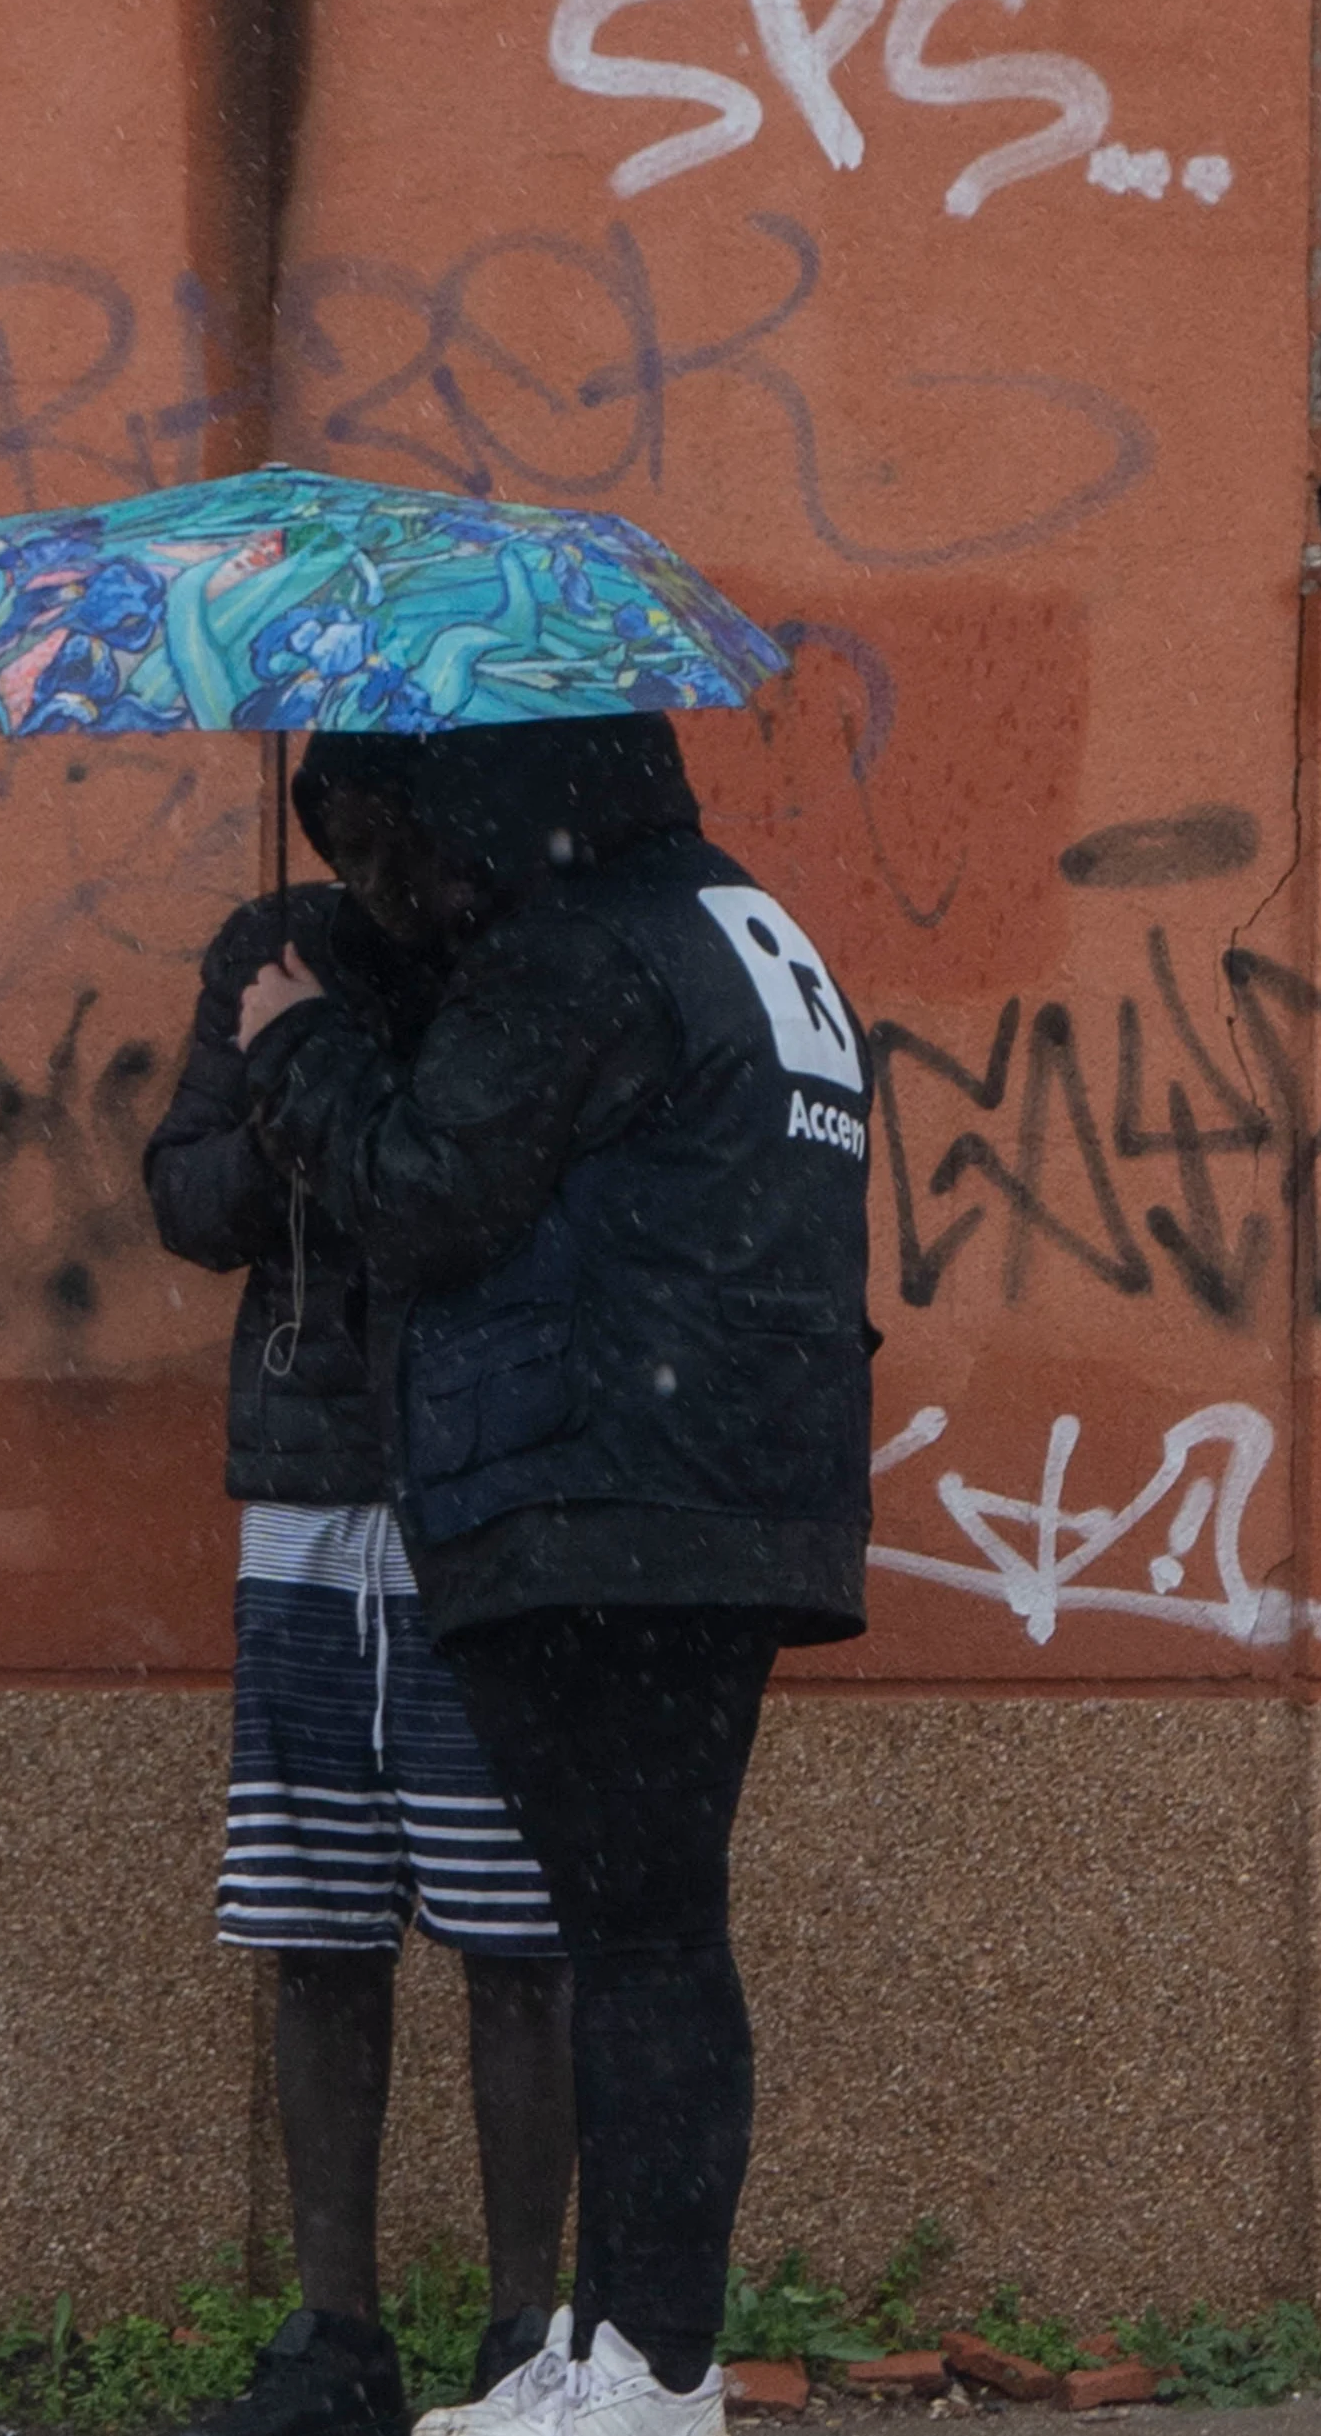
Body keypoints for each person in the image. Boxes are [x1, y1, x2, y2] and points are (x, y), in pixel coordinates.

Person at [224, 715, 878, 2436]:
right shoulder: (745, 922)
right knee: (644, 1925)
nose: (402, 887)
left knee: (643, 1937)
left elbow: (423, 1194)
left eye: (403, 840)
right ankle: (612, 2350)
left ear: (487, 790)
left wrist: (295, 1047)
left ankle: (652, 2370)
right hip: (730, 1483)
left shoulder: (577, 951)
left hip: (607, 1492)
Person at [142, 740, 578, 2436]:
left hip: (492, 1491)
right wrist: (285, 1093)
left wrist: (348, 1077)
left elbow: (491, 1199)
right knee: (317, 1924)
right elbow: (185, 1197)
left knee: (516, 1933)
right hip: (313, 1493)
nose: (383, 873)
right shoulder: (274, 951)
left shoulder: (534, 958)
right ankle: (338, 2335)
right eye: (357, 842)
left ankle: (524, 2331)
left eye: (407, 842)